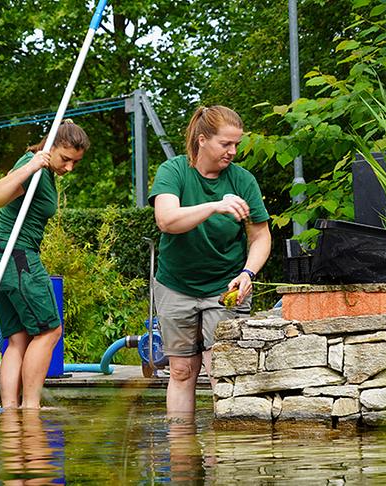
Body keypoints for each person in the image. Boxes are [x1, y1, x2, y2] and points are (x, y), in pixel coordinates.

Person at [148, 105, 271, 419]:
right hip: (175, 285)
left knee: (223, 368)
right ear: (202, 140)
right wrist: (215, 205)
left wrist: (248, 272)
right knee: (181, 369)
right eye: (225, 144)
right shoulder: (173, 171)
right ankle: (182, 455)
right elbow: (166, 220)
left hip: (225, 285)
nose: (232, 152)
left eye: (236, 145)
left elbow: (260, 236)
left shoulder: (243, 180)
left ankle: (225, 456)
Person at [0, 120, 89, 409]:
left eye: (75, 162)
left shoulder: (43, 170)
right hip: (17, 257)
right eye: (65, 159)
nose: (69, 168)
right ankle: (30, 409)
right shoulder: (33, 165)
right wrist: (32, 166)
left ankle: (9, 411)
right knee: (50, 330)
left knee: (18, 338)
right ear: (50, 146)